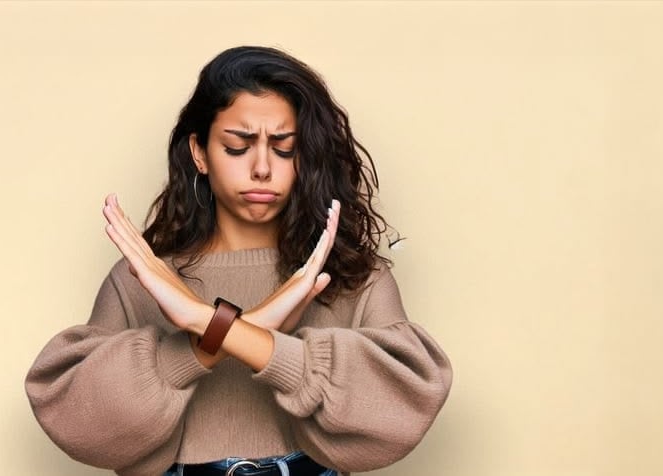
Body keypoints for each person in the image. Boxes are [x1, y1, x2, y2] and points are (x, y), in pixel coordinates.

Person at [25, 46, 452, 476]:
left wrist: (204, 321)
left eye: (285, 148)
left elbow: (405, 406)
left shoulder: (354, 278)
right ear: (200, 152)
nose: (263, 167)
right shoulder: (143, 279)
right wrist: (239, 330)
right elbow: (78, 420)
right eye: (237, 146)